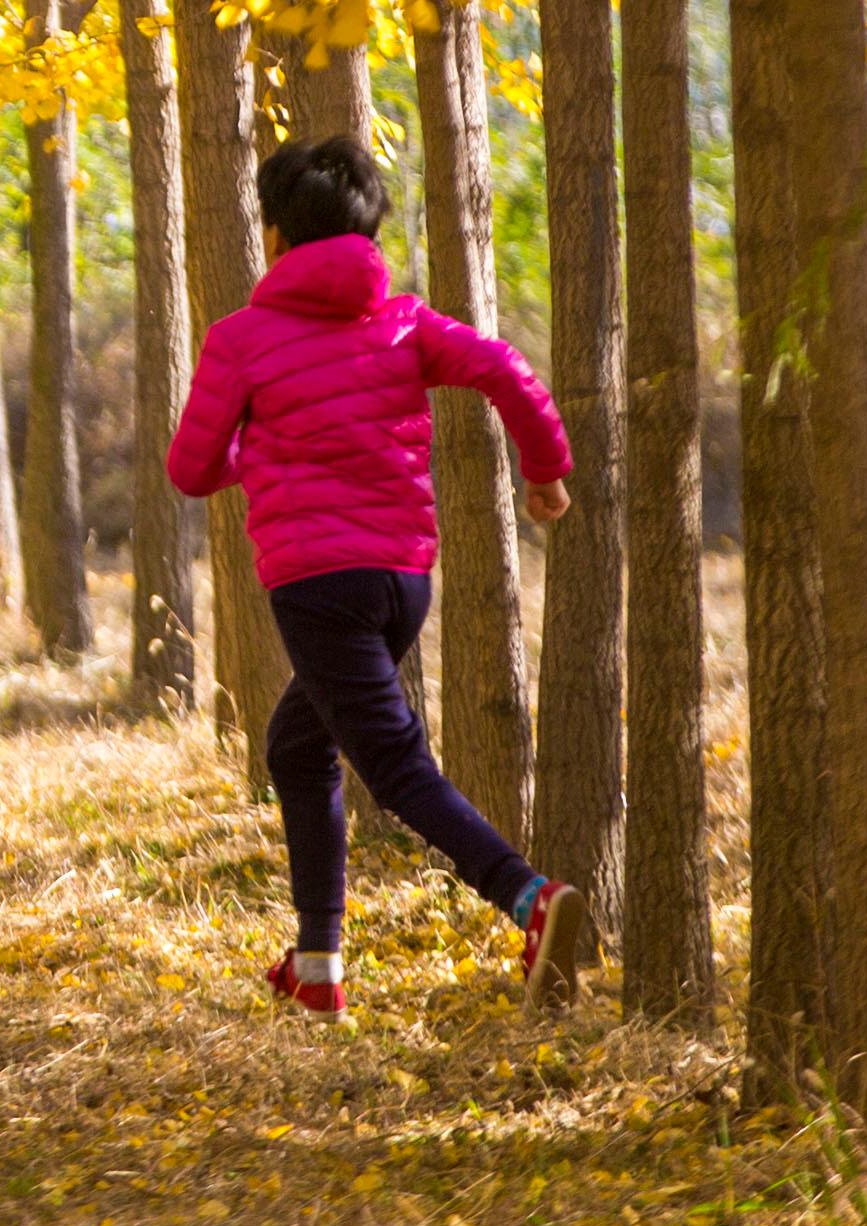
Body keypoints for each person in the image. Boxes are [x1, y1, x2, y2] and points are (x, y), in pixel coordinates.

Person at [165, 130, 582, 1020]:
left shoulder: (243, 340)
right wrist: (544, 472)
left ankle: (526, 897)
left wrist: (259, 447)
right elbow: (506, 369)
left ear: (273, 236)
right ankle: (316, 967)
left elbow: (191, 469)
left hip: (316, 584)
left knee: (393, 766)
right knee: (295, 746)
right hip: (402, 584)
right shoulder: (404, 324)